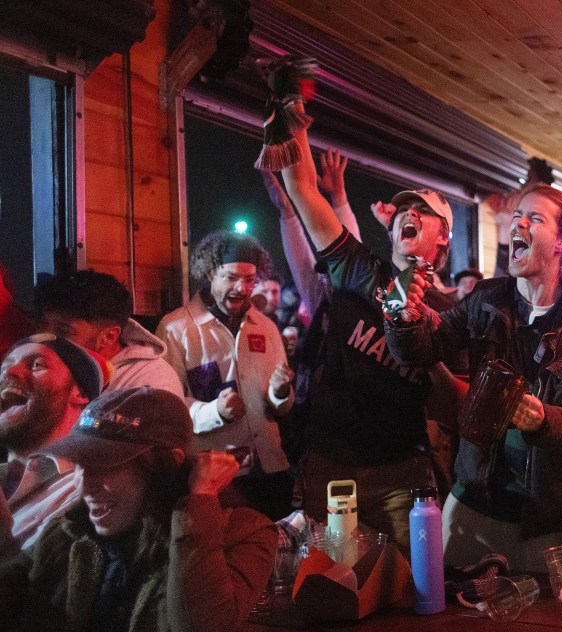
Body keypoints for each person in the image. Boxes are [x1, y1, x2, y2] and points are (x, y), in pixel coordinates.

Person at [385, 181, 562, 572]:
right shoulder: (485, 299)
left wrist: (543, 419)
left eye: (535, 218)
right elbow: (424, 349)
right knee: (452, 606)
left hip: (546, 522)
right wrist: (402, 318)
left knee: (541, 613)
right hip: (475, 502)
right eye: (517, 215)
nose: (518, 224)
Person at [0, 387, 276, 632]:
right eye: (81, 466)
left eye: (103, 465)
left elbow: (199, 628)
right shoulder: (69, 532)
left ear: (165, 466)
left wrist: (200, 499)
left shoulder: (241, 533)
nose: (85, 485)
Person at [278, 105, 455, 553]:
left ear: (443, 237)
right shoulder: (358, 269)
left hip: (402, 473)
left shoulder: (451, 315)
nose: (409, 213)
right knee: (330, 578)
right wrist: (289, 111)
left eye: (423, 211)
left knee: (414, 581)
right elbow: (301, 188)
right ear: (392, 228)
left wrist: (423, 349)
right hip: (332, 463)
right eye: (404, 209)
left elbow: (457, 407)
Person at [156, 231, 295, 520]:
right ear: (210, 273)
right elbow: (168, 410)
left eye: (250, 279)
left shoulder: (266, 327)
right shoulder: (175, 329)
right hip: (217, 479)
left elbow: (279, 408)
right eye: (231, 278)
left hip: (271, 471)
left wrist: (280, 392)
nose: (242, 288)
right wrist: (215, 412)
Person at [0, 334, 102, 555]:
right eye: (4, 366)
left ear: (79, 392)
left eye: (36, 365)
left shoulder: (87, 491)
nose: (9, 372)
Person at [34, 269, 182, 397]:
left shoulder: (151, 383)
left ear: (108, 336)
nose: (44, 340)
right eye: (42, 325)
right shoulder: (35, 367)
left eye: (63, 331)